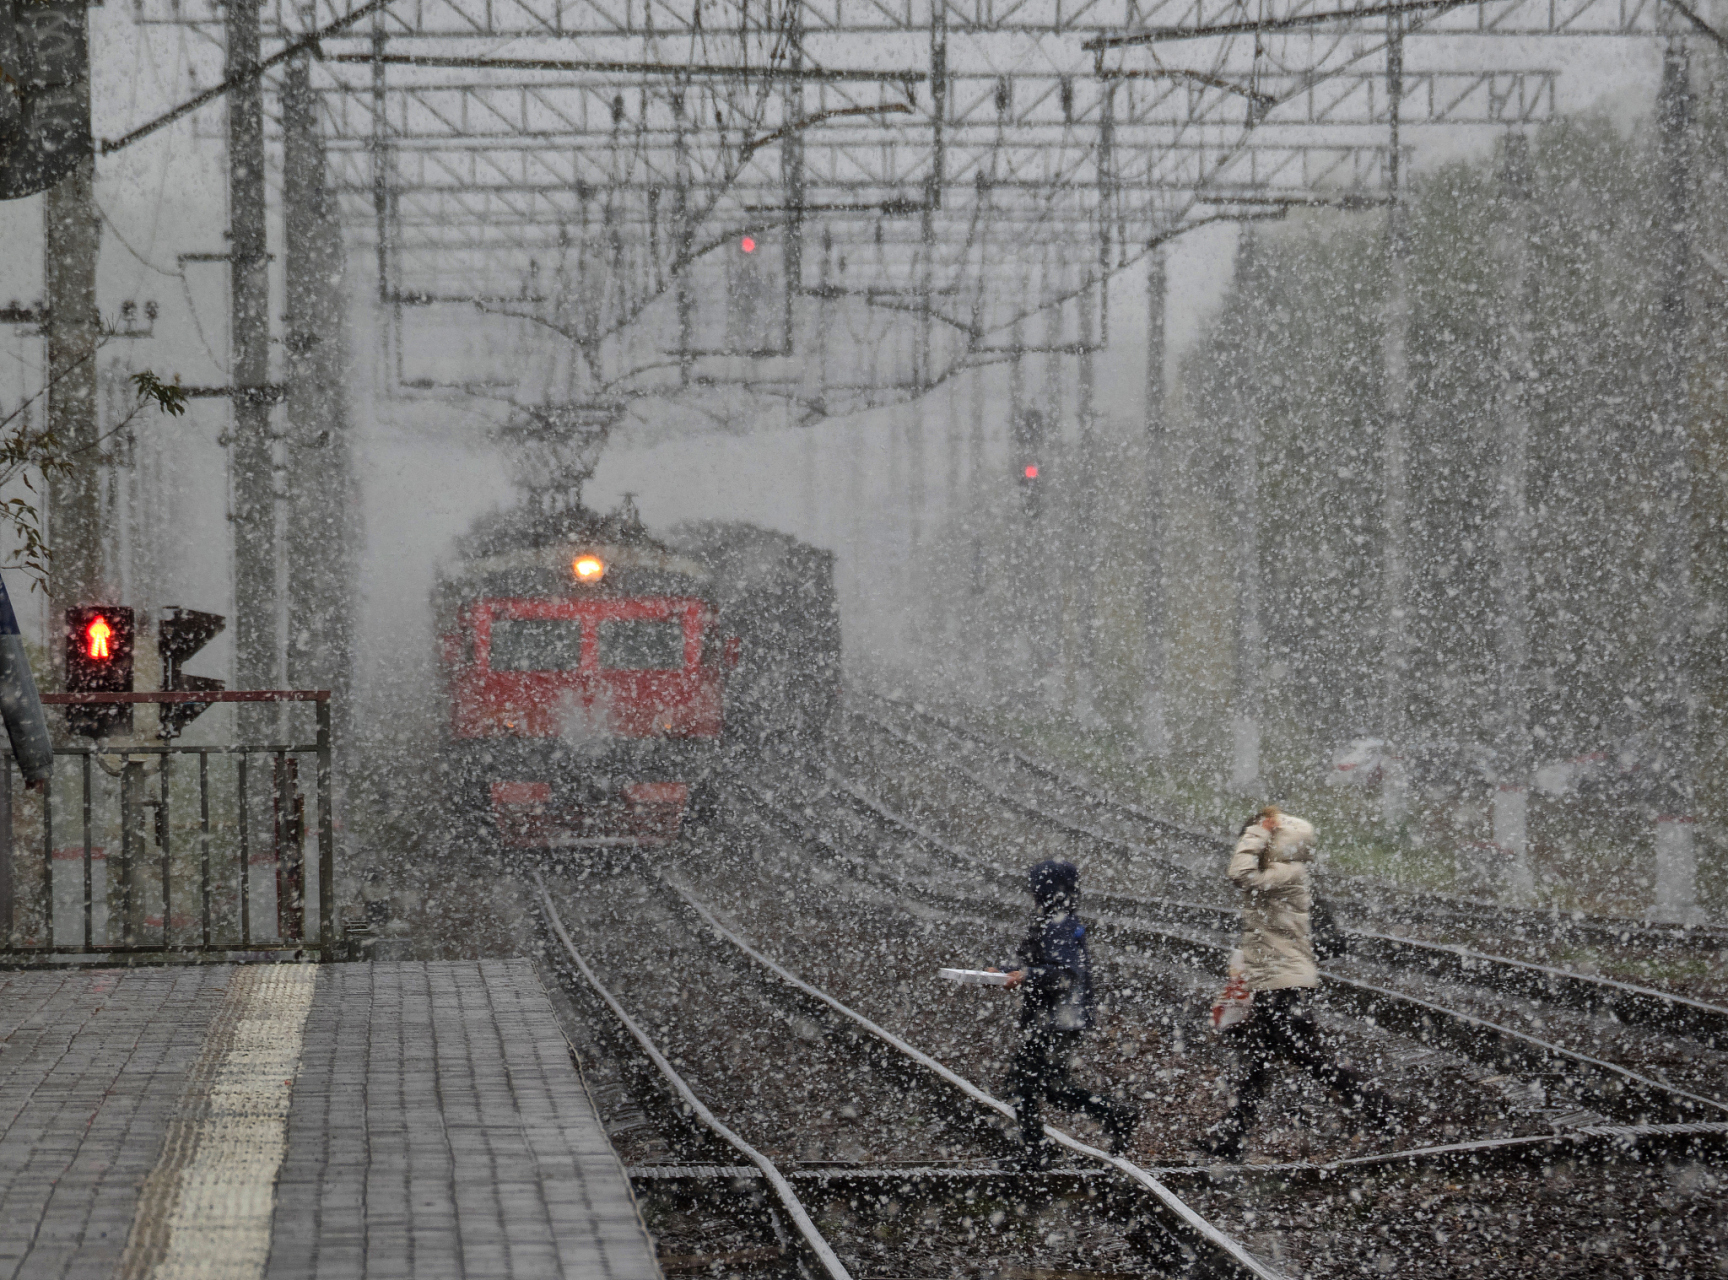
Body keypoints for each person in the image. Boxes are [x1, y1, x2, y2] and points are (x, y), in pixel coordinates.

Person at [1203, 806, 1392, 1162]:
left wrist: (1294, 947)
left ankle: (1381, 1109)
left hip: (1284, 985)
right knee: (1260, 1062)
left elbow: (1333, 940)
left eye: (1254, 842)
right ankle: (1230, 1139)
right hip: (1271, 982)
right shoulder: (1274, 880)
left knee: (1305, 1058)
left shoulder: (1288, 878)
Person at [994, 859, 1139, 1170]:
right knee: (1050, 1088)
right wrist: (1005, 972)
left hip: (1058, 1019)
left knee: (1023, 1084)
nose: (1032, 890)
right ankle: (1114, 1116)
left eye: (1036, 885)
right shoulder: (1055, 919)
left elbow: (1065, 974)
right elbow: (1044, 966)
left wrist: (1026, 976)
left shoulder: (1057, 923)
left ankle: (1039, 1150)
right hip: (1060, 1018)